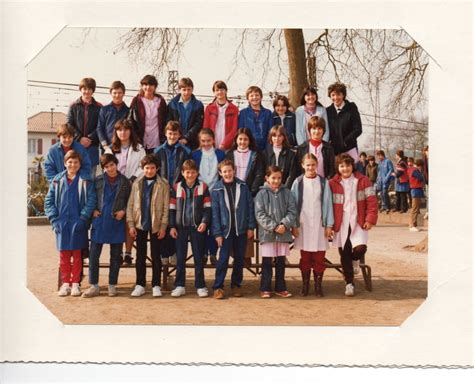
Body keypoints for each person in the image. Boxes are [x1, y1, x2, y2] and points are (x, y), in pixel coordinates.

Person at [44, 150, 96, 297]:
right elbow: (48, 202)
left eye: (76, 162)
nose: (73, 165)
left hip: (78, 223)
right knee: (64, 256)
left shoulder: (85, 180)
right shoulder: (56, 180)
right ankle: (65, 283)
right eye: (70, 162)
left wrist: (83, 218)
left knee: (78, 255)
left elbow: (91, 200)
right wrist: (54, 219)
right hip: (61, 223)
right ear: (65, 163)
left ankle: (75, 284)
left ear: (80, 164)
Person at [82, 154, 131, 298]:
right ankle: (94, 285)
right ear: (103, 168)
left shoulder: (125, 182)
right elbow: (90, 197)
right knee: (94, 255)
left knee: (115, 256)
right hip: (100, 221)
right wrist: (93, 210)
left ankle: (112, 285)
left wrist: (124, 211)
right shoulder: (97, 180)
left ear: (116, 164)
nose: (110, 168)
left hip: (116, 222)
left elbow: (131, 201)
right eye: (106, 166)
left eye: (112, 165)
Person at [329, 154, 378, 297]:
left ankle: (355, 259)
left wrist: (370, 219)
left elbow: (372, 201)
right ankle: (349, 283)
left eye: (348, 165)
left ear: (352, 166)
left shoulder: (363, 180)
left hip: (358, 220)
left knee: (360, 248)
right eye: (342, 166)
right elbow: (328, 205)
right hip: (341, 222)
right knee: (344, 253)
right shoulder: (332, 183)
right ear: (338, 168)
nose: (345, 169)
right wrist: (329, 225)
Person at [211, 159, 256, 299]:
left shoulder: (242, 186)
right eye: (224, 171)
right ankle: (218, 286)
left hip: (241, 229)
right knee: (223, 259)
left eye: (230, 170)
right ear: (220, 173)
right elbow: (215, 213)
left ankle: (236, 284)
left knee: (239, 259)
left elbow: (250, 207)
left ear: (234, 170)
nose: (228, 173)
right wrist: (217, 233)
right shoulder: (216, 189)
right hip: (225, 231)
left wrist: (250, 226)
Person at [126, 154, 169, 297]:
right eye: (146, 168)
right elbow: (131, 205)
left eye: (152, 168)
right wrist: (131, 224)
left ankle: (156, 284)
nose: (149, 171)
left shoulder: (163, 184)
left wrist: (163, 226)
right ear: (142, 168)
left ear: (157, 168)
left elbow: (166, 208)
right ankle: (140, 284)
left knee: (156, 255)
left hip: (156, 225)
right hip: (140, 223)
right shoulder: (137, 183)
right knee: (140, 255)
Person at [291, 154, 334, 297]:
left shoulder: (323, 182)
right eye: (307, 165)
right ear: (302, 165)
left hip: (319, 224)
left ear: (317, 165)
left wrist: (329, 225)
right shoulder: (298, 182)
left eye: (313, 165)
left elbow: (328, 204)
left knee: (319, 256)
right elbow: (293, 205)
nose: (310, 167)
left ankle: (318, 285)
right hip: (303, 224)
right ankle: (305, 285)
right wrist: (294, 225)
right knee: (305, 256)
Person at [169, 160, 212, 297]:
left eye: (193, 172)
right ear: (182, 173)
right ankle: (179, 285)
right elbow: (172, 209)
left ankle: (200, 285)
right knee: (180, 257)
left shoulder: (203, 187)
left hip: (197, 227)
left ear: (197, 172)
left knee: (198, 257)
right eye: (187, 172)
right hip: (180, 228)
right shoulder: (176, 188)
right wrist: (172, 226)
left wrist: (204, 222)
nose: (190, 175)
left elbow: (208, 208)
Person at [255, 166, 297, 298]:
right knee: (267, 262)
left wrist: (284, 224)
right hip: (268, 234)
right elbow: (260, 214)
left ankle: (280, 287)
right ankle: (265, 287)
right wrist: (274, 226)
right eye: (273, 178)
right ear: (267, 178)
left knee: (281, 262)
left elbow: (292, 211)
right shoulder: (261, 194)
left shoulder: (287, 193)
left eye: (279, 178)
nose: (276, 181)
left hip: (283, 233)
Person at [153, 121, 191, 265]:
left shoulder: (185, 151)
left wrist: (179, 185)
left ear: (179, 134)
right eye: (170, 133)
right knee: (163, 221)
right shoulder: (158, 151)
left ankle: (174, 252)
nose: (172, 136)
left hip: (179, 190)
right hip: (162, 190)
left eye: (175, 133)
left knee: (176, 220)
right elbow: (154, 170)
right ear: (165, 133)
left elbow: (187, 170)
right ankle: (164, 253)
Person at [110, 119, 146, 265]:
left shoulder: (139, 148)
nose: (122, 133)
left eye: (125, 130)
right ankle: (117, 252)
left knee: (129, 220)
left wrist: (132, 178)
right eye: (119, 130)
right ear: (116, 132)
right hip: (115, 188)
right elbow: (106, 165)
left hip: (132, 186)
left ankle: (128, 253)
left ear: (130, 131)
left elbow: (143, 167)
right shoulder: (110, 149)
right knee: (117, 220)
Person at [191, 128, 226, 265]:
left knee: (215, 224)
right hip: (200, 193)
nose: (206, 143)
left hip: (216, 192)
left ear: (213, 140)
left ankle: (213, 253)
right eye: (203, 141)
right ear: (200, 141)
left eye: (208, 141)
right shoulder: (194, 155)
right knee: (202, 224)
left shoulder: (220, 154)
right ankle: (203, 253)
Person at [67, 77, 102, 178]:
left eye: (89, 89)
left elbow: (100, 125)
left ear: (93, 91)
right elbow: (69, 124)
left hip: (92, 146)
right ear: (81, 89)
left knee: (90, 177)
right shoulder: (73, 106)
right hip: (76, 145)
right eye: (84, 88)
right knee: (74, 175)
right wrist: (79, 138)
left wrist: (90, 138)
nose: (87, 91)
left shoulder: (99, 107)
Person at [128, 74, 168, 153]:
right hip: (141, 141)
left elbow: (165, 120)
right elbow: (131, 120)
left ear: (155, 87)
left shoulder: (161, 101)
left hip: (157, 141)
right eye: (145, 84)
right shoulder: (136, 101)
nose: (148, 87)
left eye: (151, 85)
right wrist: (135, 138)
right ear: (142, 86)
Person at [326, 82, 362, 161]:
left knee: (351, 172)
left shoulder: (351, 108)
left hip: (350, 148)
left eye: (338, 94)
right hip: (334, 151)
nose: (336, 97)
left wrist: (345, 141)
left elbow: (358, 129)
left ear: (343, 95)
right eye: (333, 95)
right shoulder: (327, 111)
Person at [225, 128, 265, 197]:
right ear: (236, 139)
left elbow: (259, 174)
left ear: (249, 141)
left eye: (245, 139)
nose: (242, 142)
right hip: (231, 191)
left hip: (248, 192)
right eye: (240, 139)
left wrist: (251, 191)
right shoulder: (229, 154)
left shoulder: (255, 155)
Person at [167, 77, 204, 149]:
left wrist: (186, 138)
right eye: (184, 90)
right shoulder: (172, 104)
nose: (186, 92)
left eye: (189, 89)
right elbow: (169, 122)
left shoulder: (198, 105)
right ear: (179, 90)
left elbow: (198, 124)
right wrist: (175, 136)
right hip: (175, 140)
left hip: (192, 142)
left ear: (192, 89)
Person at [202, 80, 239, 151]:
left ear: (226, 91)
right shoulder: (209, 108)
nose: (219, 92)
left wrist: (225, 144)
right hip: (211, 145)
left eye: (222, 89)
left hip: (228, 146)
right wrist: (209, 142)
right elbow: (206, 127)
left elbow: (234, 129)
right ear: (214, 92)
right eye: (217, 90)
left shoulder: (234, 109)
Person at [97, 81, 130, 153]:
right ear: (111, 93)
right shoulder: (104, 109)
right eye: (114, 93)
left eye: (120, 93)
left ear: (123, 93)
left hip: (123, 147)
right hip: (107, 147)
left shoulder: (128, 111)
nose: (117, 95)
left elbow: (130, 129)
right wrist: (105, 145)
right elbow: (99, 128)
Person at [237, 85, 273, 152]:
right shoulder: (243, 113)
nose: (254, 97)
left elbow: (270, 133)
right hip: (248, 149)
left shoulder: (268, 113)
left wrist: (268, 148)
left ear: (261, 97)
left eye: (257, 95)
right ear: (247, 98)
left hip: (264, 149)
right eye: (251, 96)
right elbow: (240, 132)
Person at [407, 159, 425, 232]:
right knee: (414, 209)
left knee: (415, 208)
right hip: (416, 190)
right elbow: (421, 178)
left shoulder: (411, 169)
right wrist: (421, 173)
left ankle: (414, 225)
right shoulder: (415, 170)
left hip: (414, 190)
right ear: (419, 166)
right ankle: (412, 225)